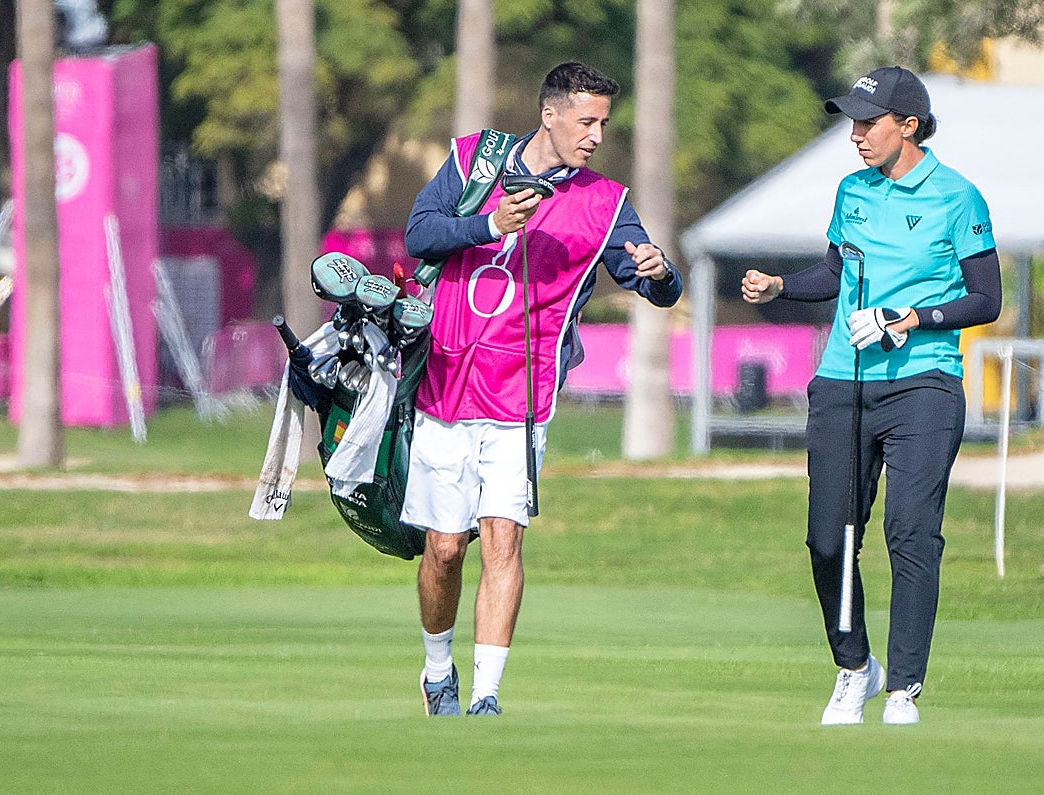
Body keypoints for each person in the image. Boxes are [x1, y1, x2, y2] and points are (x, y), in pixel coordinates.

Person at [401, 61, 683, 716]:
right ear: (550, 114)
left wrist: (658, 270)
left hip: (523, 397)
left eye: (604, 124)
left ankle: (485, 695)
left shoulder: (607, 201)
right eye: (587, 121)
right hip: (444, 382)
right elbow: (420, 232)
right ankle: (436, 667)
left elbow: (656, 287)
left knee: (503, 538)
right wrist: (489, 225)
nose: (596, 136)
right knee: (444, 549)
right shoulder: (474, 160)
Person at [741, 66, 1001, 726]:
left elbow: (985, 298)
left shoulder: (957, 197)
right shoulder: (850, 190)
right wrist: (780, 286)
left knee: (910, 532)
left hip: (924, 387)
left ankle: (903, 687)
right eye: (853, 122)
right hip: (842, 382)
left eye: (868, 122)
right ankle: (856, 665)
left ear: (907, 125)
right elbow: (833, 272)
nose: (855, 134)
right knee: (829, 539)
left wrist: (909, 317)